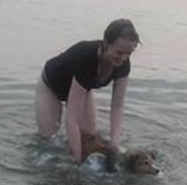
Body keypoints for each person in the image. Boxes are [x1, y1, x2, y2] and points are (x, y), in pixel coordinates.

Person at [35, 18, 140, 163]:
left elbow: (117, 106)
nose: (123, 58)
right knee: (48, 140)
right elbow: (72, 117)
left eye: (129, 53)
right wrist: (78, 161)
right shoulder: (85, 57)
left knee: (89, 135)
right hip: (51, 87)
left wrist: (115, 145)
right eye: (119, 52)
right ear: (106, 43)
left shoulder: (123, 64)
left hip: (83, 89)